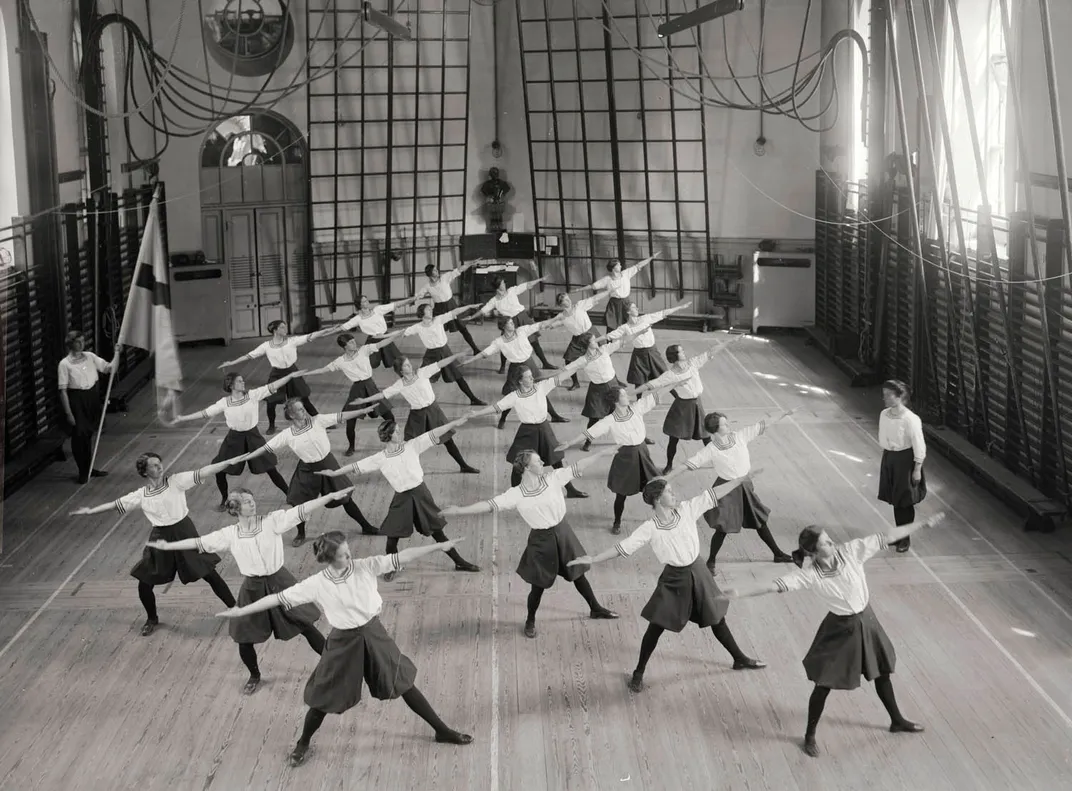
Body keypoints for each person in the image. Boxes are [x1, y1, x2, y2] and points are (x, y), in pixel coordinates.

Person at [216, 531, 474, 767]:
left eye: (349, 551)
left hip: (374, 634)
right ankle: (303, 742)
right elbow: (278, 598)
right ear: (330, 558)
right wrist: (242, 610)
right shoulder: (317, 583)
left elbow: (402, 556)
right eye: (343, 555)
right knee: (323, 697)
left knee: (403, 682)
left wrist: (439, 546)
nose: (350, 557)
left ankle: (442, 730)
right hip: (342, 642)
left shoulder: (365, 566)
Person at [724, 513, 946, 757]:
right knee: (824, 685)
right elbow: (773, 585)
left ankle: (897, 720)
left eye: (829, 539)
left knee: (881, 672)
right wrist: (739, 592)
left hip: (867, 621)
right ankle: (809, 736)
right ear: (813, 552)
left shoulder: (852, 551)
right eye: (825, 543)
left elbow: (888, 535)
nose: (832, 543)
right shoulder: (809, 575)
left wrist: (922, 524)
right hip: (841, 629)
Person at [568, 478, 765, 693]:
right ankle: (639, 672)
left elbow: (714, 493)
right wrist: (594, 559)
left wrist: (739, 480)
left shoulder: (687, 509)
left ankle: (739, 658)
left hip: (699, 572)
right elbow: (623, 547)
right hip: (675, 579)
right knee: (656, 626)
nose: (674, 494)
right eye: (669, 492)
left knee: (717, 618)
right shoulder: (649, 528)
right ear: (657, 499)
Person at [146, 489, 351, 693]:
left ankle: (333, 666)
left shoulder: (272, 521)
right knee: (244, 638)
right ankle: (255, 676)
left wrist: (328, 497)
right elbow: (200, 542)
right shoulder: (229, 534)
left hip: (280, 581)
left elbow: (300, 510)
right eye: (246, 502)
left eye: (252, 500)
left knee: (305, 626)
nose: (252, 504)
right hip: (252, 589)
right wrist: (168, 546)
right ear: (235, 508)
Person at [440, 449, 619, 638]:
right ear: (526, 467)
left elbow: (579, 465)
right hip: (541, 541)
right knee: (538, 585)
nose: (543, 463)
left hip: (564, 533)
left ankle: (595, 608)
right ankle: (530, 620)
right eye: (538, 461)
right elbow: (488, 505)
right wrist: (459, 510)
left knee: (578, 573)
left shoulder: (553, 478)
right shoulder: (516, 494)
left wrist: (602, 453)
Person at [70, 452, 242, 637]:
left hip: (184, 532)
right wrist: (90, 511)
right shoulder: (141, 495)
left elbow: (203, 471)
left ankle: (235, 609)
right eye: (153, 465)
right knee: (144, 583)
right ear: (144, 472)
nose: (159, 467)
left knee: (209, 574)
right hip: (160, 537)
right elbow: (115, 504)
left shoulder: (176, 481)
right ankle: (152, 619)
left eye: (159, 463)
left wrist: (227, 462)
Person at [319, 418, 481, 580]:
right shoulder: (380, 458)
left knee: (437, 532)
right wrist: (334, 473)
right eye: (396, 431)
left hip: (421, 495)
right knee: (392, 538)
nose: (400, 432)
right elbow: (356, 466)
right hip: (402, 499)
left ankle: (459, 562)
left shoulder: (412, 445)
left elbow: (434, 433)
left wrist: (453, 424)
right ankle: (393, 565)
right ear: (389, 435)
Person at [663, 409, 797, 573]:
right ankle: (711, 562)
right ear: (716, 429)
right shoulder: (711, 449)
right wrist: (666, 479)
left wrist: (784, 413)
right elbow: (687, 464)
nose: (728, 425)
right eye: (724, 424)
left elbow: (763, 423)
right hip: (726, 489)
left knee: (759, 521)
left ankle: (777, 554)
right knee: (723, 527)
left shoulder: (739, 436)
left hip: (745, 487)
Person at [241, 398, 382, 545]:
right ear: (292, 415)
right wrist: (243, 457)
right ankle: (300, 534)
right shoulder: (287, 434)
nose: (305, 411)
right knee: (298, 504)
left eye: (304, 408)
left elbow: (340, 416)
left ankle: (367, 527)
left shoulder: (318, 421)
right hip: (307, 469)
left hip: (328, 464)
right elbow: (265, 448)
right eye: (300, 410)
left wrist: (362, 411)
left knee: (345, 498)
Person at [555, 382, 679, 534]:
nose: (628, 396)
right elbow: (589, 433)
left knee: (658, 487)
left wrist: (676, 382)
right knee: (621, 494)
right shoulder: (609, 421)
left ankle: (665, 515)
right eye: (624, 395)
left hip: (643, 454)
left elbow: (657, 394)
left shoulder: (637, 408)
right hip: (625, 458)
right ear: (616, 401)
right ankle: (617, 521)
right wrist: (569, 443)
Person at [167, 371, 297, 508]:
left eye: (242, 380)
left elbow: (272, 386)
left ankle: (290, 496)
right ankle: (224, 499)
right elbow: (204, 413)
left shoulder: (253, 395)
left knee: (271, 469)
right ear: (231, 385)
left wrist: (289, 377)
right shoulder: (224, 403)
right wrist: (182, 418)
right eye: (240, 381)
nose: (243, 383)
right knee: (219, 470)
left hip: (254, 437)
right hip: (234, 439)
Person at [347, 355, 481, 474]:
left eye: (409, 363)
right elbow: (382, 394)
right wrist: (364, 400)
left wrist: (456, 355)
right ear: (400, 371)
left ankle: (463, 466)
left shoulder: (422, 373)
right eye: (406, 365)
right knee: (408, 445)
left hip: (434, 411)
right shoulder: (399, 384)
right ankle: (402, 469)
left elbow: (440, 363)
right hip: (417, 416)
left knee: (448, 440)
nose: (409, 365)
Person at [467, 366, 588, 497]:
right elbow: (497, 407)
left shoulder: (541, 387)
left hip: (544, 429)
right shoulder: (514, 396)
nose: (532, 378)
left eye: (531, 376)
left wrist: (580, 365)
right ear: (520, 381)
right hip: (527, 432)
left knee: (556, 460)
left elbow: (562, 376)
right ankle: (514, 495)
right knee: (518, 465)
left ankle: (570, 490)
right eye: (528, 377)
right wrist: (477, 413)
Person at [637, 338, 742, 473]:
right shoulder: (670, 375)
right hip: (681, 407)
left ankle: (719, 459)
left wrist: (728, 341)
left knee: (706, 436)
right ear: (675, 356)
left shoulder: (693, 363)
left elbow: (710, 352)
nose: (684, 352)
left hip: (697, 405)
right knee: (673, 438)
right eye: (681, 351)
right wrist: (632, 393)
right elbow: (652, 384)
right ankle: (669, 465)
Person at [217, 320, 338, 434]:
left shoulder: (292, 341)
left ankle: (322, 422)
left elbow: (312, 335)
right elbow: (249, 356)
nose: (285, 329)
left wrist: (329, 329)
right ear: (275, 330)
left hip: (292, 371)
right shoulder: (266, 346)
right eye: (282, 327)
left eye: (285, 326)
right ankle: (271, 425)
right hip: (277, 374)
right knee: (271, 401)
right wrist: (231, 363)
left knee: (303, 399)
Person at [302, 332, 403, 456]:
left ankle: (392, 442)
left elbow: (381, 343)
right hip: (357, 390)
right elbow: (323, 370)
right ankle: (351, 447)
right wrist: (305, 374)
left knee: (389, 416)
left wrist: (395, 335)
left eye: (354, 341)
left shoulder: (364, 350)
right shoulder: (340, 361)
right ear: (344, 346)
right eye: (351, 342)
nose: (355, 343)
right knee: (350, 420)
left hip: (371, 387)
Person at [464, 314, 569, 427]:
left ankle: (554, 415)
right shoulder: (499, 341)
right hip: (515, 368)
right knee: (511, 395)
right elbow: (485, 352)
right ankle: (503, 419)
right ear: (503, 326)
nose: (513, 324)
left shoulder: (522, 331)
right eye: (509, 323)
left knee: (539, 391)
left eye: (512, 322)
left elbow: (539, 325)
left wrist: (555, 318)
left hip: (530, 364)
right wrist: (471, 360)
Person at [57, 330, 118, 483]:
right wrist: (69, 413)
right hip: (76, 400)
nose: (82, 344)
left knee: (88, 434)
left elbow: (108, 368)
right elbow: (62, 391)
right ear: (70, 344)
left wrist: (117, 353)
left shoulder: (90, 357)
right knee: (79, 436)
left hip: (92, 398)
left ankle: (89, 468)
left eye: (83, 341)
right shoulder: (64, 364)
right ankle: (82, 471)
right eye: (78, 341)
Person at [401, 303, 486, 405]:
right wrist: (383, 337)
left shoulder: (438, 319)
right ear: (422, 313)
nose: (431, 311)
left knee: (458, 376)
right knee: (421, 377)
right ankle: (416, 398)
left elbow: (455, 311)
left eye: (430, 309)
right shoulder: (418, 327)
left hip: (445, 351)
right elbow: (402, 333)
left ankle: (473, 399)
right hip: (431, 354)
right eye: (428, 310)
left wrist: (469, 306)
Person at [877, 379, 927, 552]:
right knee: (896, 501)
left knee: (905, 501)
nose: (884, 398)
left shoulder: (911, 419)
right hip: (890, 458)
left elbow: (919, 444)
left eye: (888, 395)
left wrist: (917, 468)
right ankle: (899, 535)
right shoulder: (884, 414)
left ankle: (905, 538)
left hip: (906, 461)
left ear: (899, 397)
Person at [477, 274, 555, 371]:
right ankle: (502, 366)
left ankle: (545, 363)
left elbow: (527, 285)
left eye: (504, 282)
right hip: (510, 321)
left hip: (523, 317)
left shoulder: (512, 290)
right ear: (498, 286)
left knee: (534, 342)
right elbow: (483, 311)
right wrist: (472, 316)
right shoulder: (494, 301)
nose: (504, 284)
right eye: (502, 283)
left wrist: (540, 279)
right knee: (505, 343)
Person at [605, 301, 689, 386]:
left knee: (664, 376)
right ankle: (638, 399)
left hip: (652, 352)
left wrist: (680, 307)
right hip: (639, 355)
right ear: (628, 312)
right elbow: (611, 335)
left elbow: (662, 313)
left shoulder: (645, 318)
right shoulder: (625, 327)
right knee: (639, 380)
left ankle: (676, 395)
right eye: (634, 307)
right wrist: (595, 341)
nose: (637, 309)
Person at [416, 261, 489, 354]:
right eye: (434, 270)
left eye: (436, 269)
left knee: (463, 329)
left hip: (451, 305)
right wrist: (412, 300)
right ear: (430, 274)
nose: (437, 270)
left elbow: (459, 269)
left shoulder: (445, 277)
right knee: (435, 331)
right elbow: (418, 295)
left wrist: (471, 263)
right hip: (439, 309)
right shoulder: (427, 286)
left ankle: (475, 349)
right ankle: (434, 352)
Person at [340, 294, 421, 370]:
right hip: (372, 340)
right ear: (359, 304)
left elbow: (397, 304)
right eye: (364, 301)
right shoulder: (357, 318)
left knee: (398, 360)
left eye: (367, 300)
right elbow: (343, 327)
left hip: (385, 337)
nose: (367, 302)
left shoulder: (378, 309)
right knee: (369, 363)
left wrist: (412, 299)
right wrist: (328, 331)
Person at [549, 290, 610, 390]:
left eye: (568, 298)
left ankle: (613, 379)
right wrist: (550, 325)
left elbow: (594, 298)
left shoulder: (579, 305)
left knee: (602, 356)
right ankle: (576, 383)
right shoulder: (563, 316)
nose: (568, 300)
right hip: (578, 339)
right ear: (561, 304)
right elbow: (560, 322)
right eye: (564, 300)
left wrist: (608, 291)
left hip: (591, 333)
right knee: (569, 359)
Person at [590, 255, 657, 330]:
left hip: (626, 302)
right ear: (613, 267)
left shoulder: (626, 273)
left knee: (630, 322)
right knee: (613, 324)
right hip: (614, 304)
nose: (620, 266)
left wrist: (651, 258)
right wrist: (577, 290)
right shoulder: (607, 279)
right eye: (618, 265)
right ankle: (610, 340)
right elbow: (593, 286)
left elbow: (639, 265)